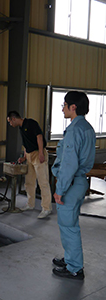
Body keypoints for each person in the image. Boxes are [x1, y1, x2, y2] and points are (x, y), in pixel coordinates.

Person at [51, 91, 96, 280]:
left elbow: (69, 164)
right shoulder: (87, 128)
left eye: (64, 105)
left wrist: (59, 190)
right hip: (79, 182)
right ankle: (70, 259)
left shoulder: (74, 130)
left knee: (68, 227)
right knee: (71, 224)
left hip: (70, 184)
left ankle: (75, 268)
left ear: (73, 107)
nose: (62, 108)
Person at [7, 111, 52, 219]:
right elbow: (26, 144)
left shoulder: (31, 123)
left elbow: (39, 137)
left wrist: (41, 153)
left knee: (43, 182)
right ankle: (30, 204)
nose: (10, 124)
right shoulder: (21, 128)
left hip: (38, 154)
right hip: (30, 155)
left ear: (13, 119)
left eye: (9, 122)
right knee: (29, 182)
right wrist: (24, 157)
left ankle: (46, 208)